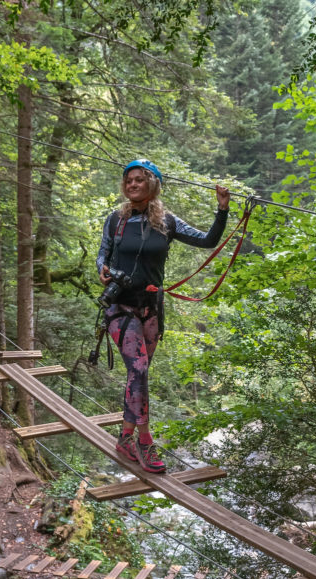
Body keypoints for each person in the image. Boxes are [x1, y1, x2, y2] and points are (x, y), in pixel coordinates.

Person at [96, 159, 231, 473]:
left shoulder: (167, 222)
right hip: (120, 306)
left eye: (139, 180)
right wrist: (101, 269)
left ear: (152, 184)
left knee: (138, 376)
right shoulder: (115, 219)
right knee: (139, 369)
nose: (132, 185)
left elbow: (207, 240)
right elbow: (103, 252)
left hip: (152, 308)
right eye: (128, 180)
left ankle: (124, 437)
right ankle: (145, 442)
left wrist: (222, 209)